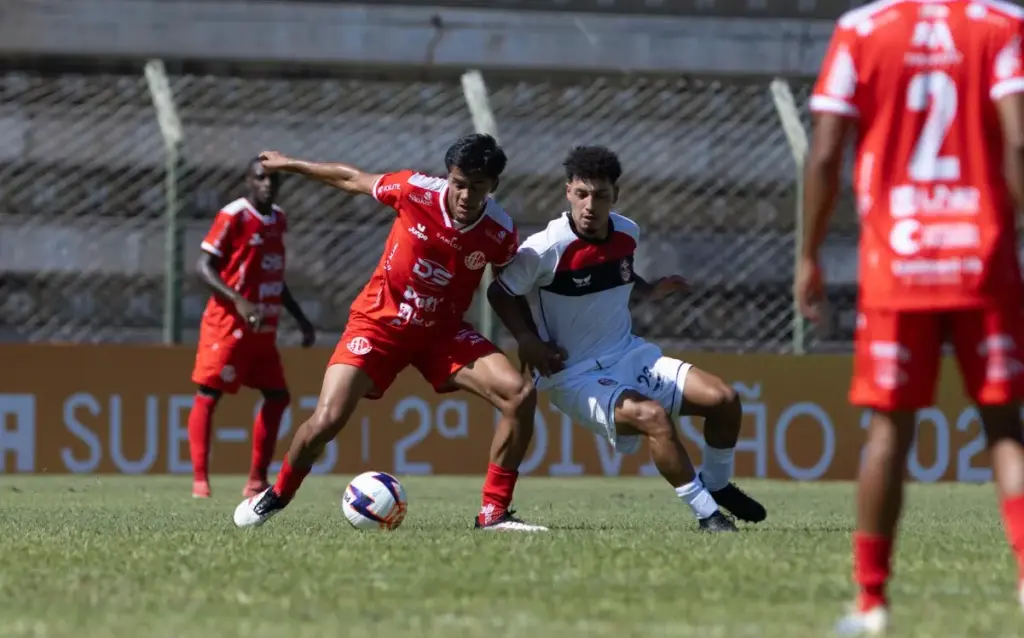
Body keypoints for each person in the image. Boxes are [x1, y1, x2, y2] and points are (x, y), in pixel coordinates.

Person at [800, 0, 1024, 633]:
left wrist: (810, 255)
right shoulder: (1003, 25)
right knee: (1005, 426)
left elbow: (822, 156)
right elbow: (1020, 137)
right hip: (982, 257)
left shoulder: (862, 30)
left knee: (889, 433)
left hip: (898, 263)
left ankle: (871, 603)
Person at [232, 134, 546, 532]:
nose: (465, 195)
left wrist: (527, 336)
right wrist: (289, 164)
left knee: (519, 395)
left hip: (441, 333)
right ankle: (277, 494)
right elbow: (352, 179)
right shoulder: (414, 190)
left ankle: (494, 514)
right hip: (379, 321)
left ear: (493, 187)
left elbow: (505, 287)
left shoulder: (500, 232)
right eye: (459, 183)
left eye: (477, 187)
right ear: (448, 177)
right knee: (327, 419)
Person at [487, 145, 767, 533]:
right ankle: (709, 516)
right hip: (575, 375)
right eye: (582, 194)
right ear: (568, 191)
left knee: (725, 400)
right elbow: (500, 292)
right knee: (653, 417)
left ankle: (717, 485)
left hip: (630, 354)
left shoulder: (627, 233)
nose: (590, 205)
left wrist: (650, 290)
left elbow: (617, 276)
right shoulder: (544, 249)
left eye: (600, 195)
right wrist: (527, 340)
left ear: (614, 196)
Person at [188, 158, 317, 500]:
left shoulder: (278, 219)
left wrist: (300, 318)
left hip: (264, 328)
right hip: (228, 324)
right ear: (248, 180)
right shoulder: (234, 215)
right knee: (209, 393)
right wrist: (238, 301)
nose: (267, 185)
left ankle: (256, 480)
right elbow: (202, 266)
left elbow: (275, 276)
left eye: (274, 180)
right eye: (261, 178)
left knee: (278, 396)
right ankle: (200, 480)